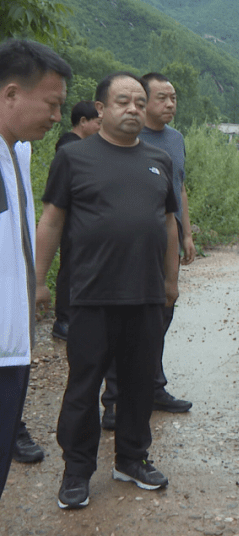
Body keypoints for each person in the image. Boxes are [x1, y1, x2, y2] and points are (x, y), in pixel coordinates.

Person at [35, 72, 179, 509]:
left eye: (139, 101)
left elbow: (168, 222)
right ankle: (76, 472)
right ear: (100, 109)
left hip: (147, 295)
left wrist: (170, 281)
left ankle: (132, 459)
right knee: (83, 387)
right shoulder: (75, 157)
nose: (133, 108)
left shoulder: (160, 160)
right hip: (93, 297)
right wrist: (38, 281)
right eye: (123, 101)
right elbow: (53, 221)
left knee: (138, 386)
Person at [99, 73, 192, 430]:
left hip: (165, 242)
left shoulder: (175, 139)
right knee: (121, 322)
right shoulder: (126, 139)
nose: (170, 104)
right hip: (128, 248)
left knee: (160, 316)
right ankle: (114, 400)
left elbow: (180, 187)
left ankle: (153, 386)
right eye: (162, 98)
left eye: (173, 97)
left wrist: (186, 232)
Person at [0, 39, 71, 500]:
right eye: (52, 104)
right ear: (10, 95)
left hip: (12, 346)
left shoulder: (16, 151)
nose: (57, 117)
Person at [50, 100, 100, 342]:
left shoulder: (81, 146)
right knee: (69, 267)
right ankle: (63, 320)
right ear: (83, 122)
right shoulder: (69, 147)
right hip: (71, 218)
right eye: (97, 123)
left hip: (80, 218)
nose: (100, 128)